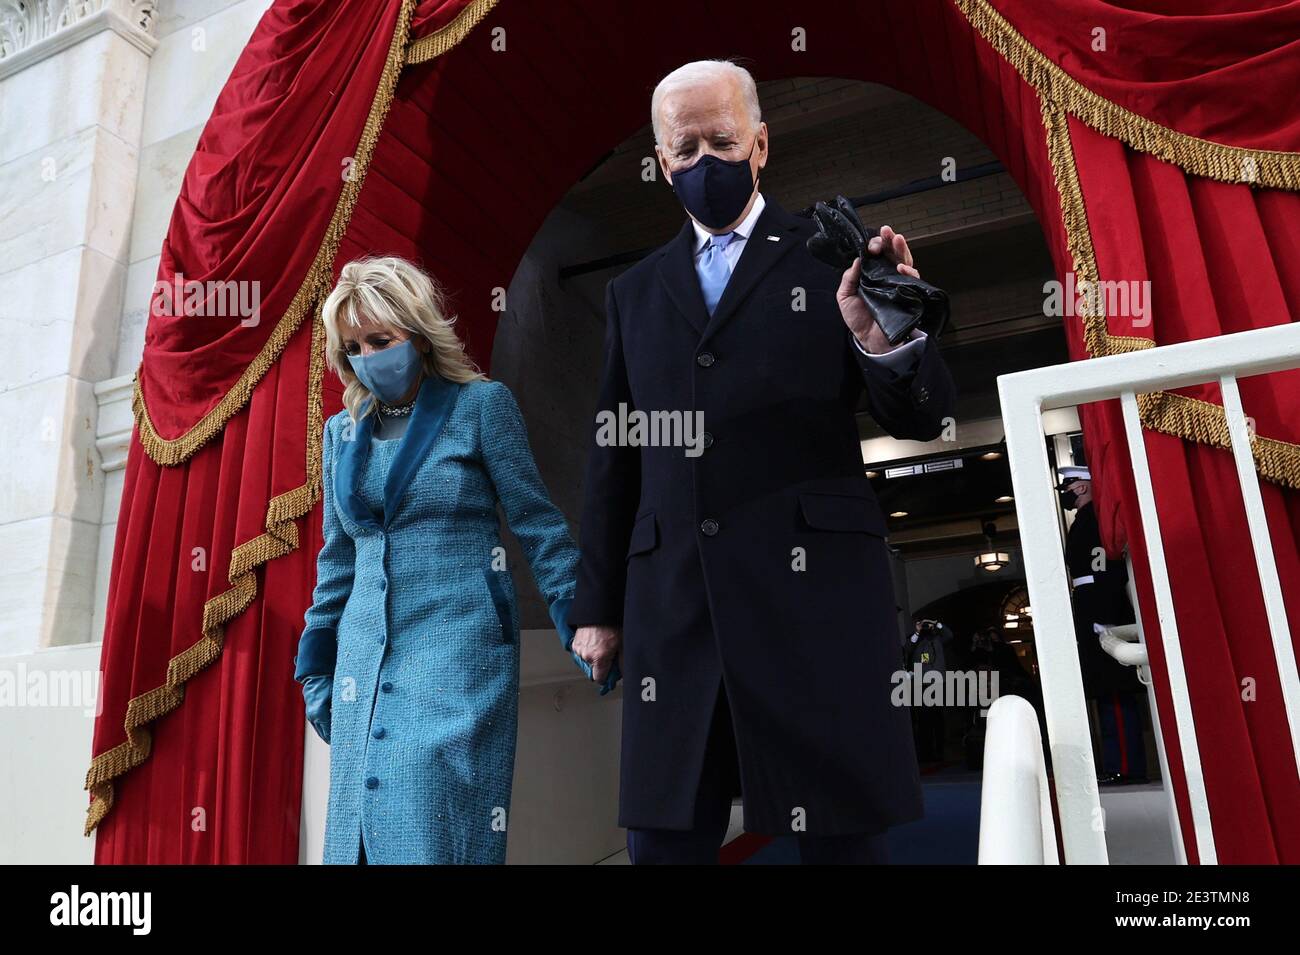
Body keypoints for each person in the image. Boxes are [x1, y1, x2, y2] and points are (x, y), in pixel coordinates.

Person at [566, 60, 956, 864]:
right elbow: (615, 458)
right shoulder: (633, 294)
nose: (706, 160)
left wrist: (884, 338)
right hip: (676, 604)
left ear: (762, 143)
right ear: (662, 160)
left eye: (723, 139)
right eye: (687, 146)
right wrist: (595, 605)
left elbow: (926, 415)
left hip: (815, 600)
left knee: (842, 838)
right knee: (667, 838)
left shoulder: (834, 260)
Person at [293, 256, 586, 863]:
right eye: (353, 348)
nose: (368, 357)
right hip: (360, 665)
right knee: (358, 840)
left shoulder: (482, 407)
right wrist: (315, 668)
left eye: (381, 339)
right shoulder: (339, 434)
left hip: (457, 656)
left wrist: (580, 618)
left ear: (419, 334)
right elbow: (338, 559)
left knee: (431, 827)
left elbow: (536, 521)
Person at [1058, 464, 1149, 785]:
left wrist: (1104, 616)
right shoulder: (1086, 518)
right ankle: (1119, 762)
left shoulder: (1094, 517)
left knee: (1114, 688)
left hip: (1099, 604)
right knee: (1106, 689)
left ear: (1081, 487)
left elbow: (1104, 569)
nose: (1067, 494)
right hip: (1091, 603)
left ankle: (1126, 764)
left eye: (1069, 487)